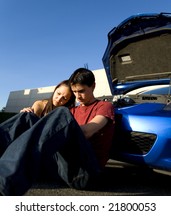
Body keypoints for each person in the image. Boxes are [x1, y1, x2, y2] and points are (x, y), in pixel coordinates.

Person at [0, 68, 114, 196]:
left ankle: (4, 182)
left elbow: (88, 131)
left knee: (61, 112)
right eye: (75, 92)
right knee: (27, 117)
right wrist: (30, 117)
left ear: (93, 86)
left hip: (86, 172)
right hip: (62, 168)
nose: (77, 96)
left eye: (81, 91)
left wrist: (59, 126)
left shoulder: (104, 106)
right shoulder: (72, 111)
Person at [0, 80, 75, 156]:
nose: (59, 99)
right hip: (30, 139)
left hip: (45, 146)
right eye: (58, 93)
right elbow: (30, 126)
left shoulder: (66, 114)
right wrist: (26, 113)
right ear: (55, 90)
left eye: (64, 98)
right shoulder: (40, 104)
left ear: (68, 101)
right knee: (26, 116)